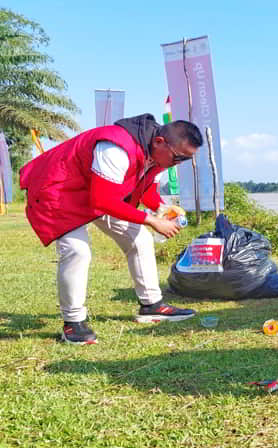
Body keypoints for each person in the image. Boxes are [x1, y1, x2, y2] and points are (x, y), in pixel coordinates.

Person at [19, 114, 202, 345]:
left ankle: (152, 305)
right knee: (77, 251)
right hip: (58, 190)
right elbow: (103, 201)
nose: (179, 164)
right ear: (159, 142)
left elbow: (145, 190)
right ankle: (73, 322)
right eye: (178, 158)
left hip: (95, 191)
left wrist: (162, 208)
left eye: (185, 160)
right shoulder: (115, 147)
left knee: (140, 240)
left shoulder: (161, 154)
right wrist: (153, 221)